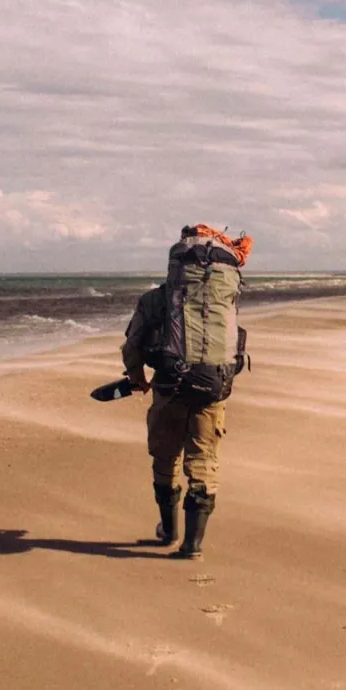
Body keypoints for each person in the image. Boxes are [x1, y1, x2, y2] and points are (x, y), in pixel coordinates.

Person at [119, 225, 251, 560]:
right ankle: (192, 545)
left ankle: (169, 531)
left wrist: (137, 378)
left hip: (169, 388)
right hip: (213, 387)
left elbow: (132, 345)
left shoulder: (155, 299)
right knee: (204, 462)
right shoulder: (223, 298)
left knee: (166, 460)